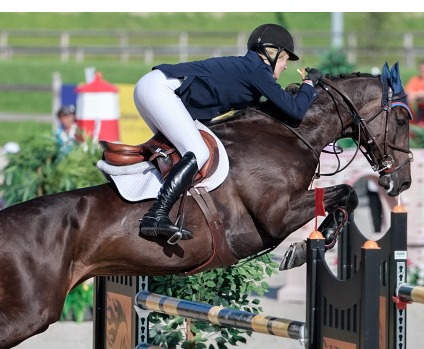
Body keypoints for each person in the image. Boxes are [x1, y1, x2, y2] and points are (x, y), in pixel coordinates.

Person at [133, 23, 322, 242]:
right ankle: (156, 215)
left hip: (153, 87)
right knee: (198, 151)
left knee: (180, 153)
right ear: (271, 54)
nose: (286, 66)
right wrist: (309, 84)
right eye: (284, 59)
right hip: (161, 89)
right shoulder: (257, 70)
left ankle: (148, 205)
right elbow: (296, 111)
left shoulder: (249, 70)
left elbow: (269, 111)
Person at [404, 60, 424, 126]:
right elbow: (407, 91)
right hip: (420, 107)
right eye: (421, 68)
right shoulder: (416, 79)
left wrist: (418, 94)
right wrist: (418, 94)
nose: (423, 70)